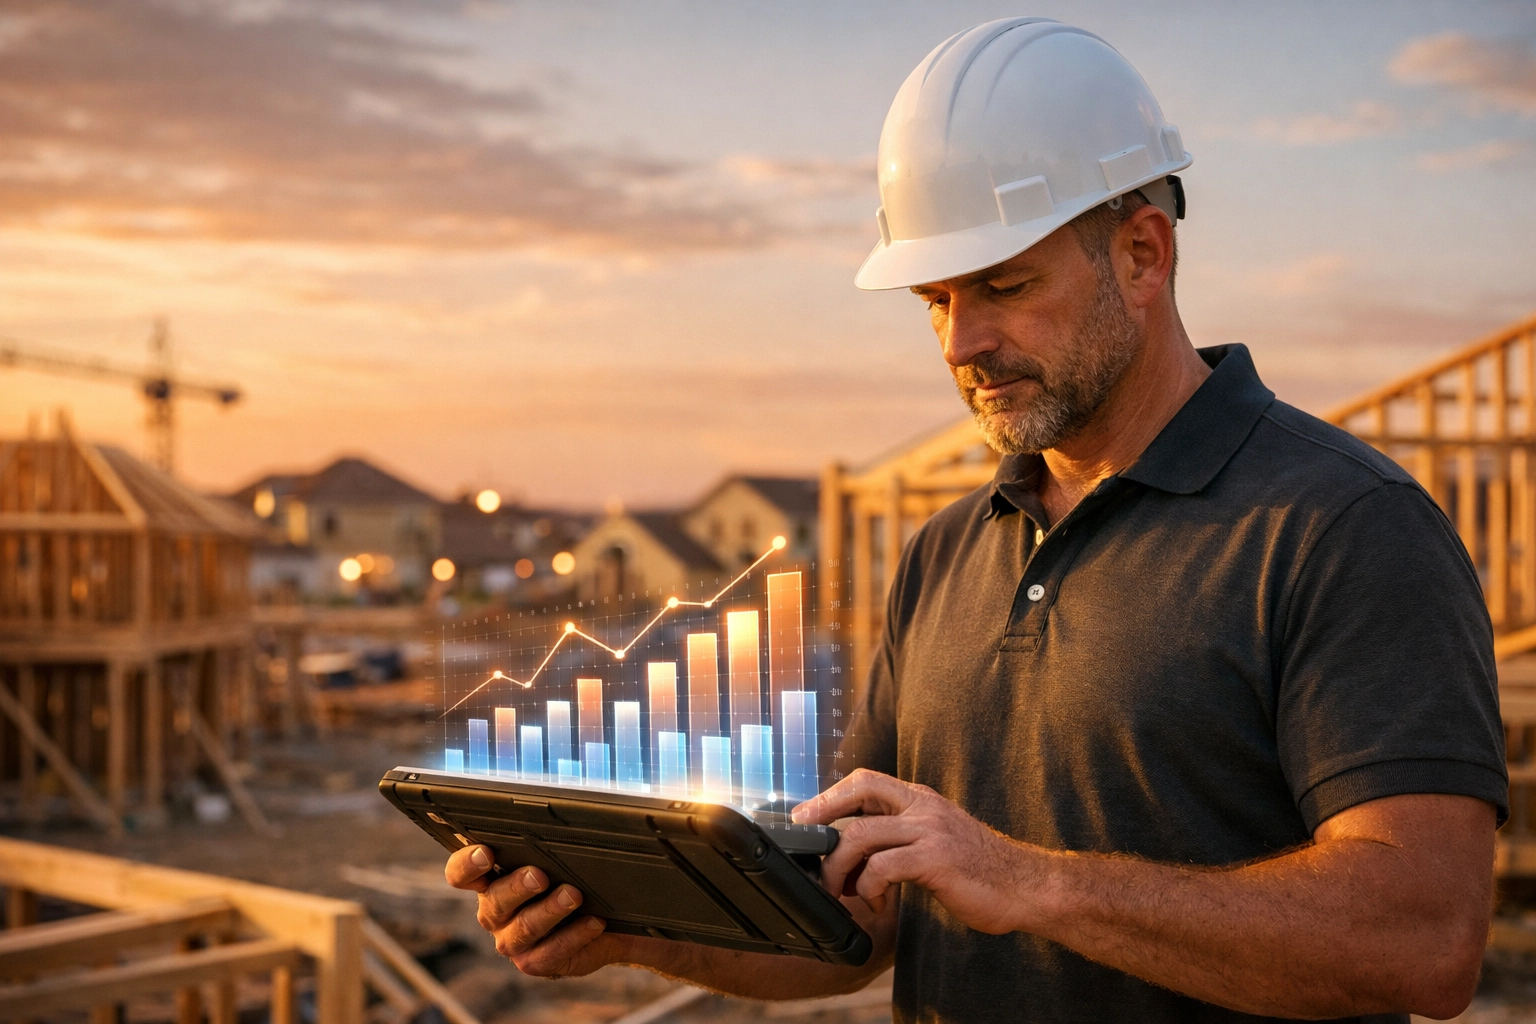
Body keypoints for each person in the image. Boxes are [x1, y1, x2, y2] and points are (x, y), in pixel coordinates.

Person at [445, 18, 1506, 1022]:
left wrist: (1030, 881)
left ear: (1143, 255)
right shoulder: (949, 549)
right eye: (937, 301)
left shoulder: (1342, 526)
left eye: (1002, 285)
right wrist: (627, 927)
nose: (961, 343)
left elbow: (1425, 938)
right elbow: (866, 920)